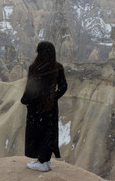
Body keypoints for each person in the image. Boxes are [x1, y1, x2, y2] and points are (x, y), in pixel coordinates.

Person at [21, 41, 68, 172]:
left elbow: (31, 89)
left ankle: (41, 161)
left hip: (36, 107)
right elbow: (63, 87)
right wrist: (53, 97)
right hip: (51, 107)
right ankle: (45, 160)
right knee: (48, 132)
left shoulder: (34, 68)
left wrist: (25, 101)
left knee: (36, 132)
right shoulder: (58, 67)